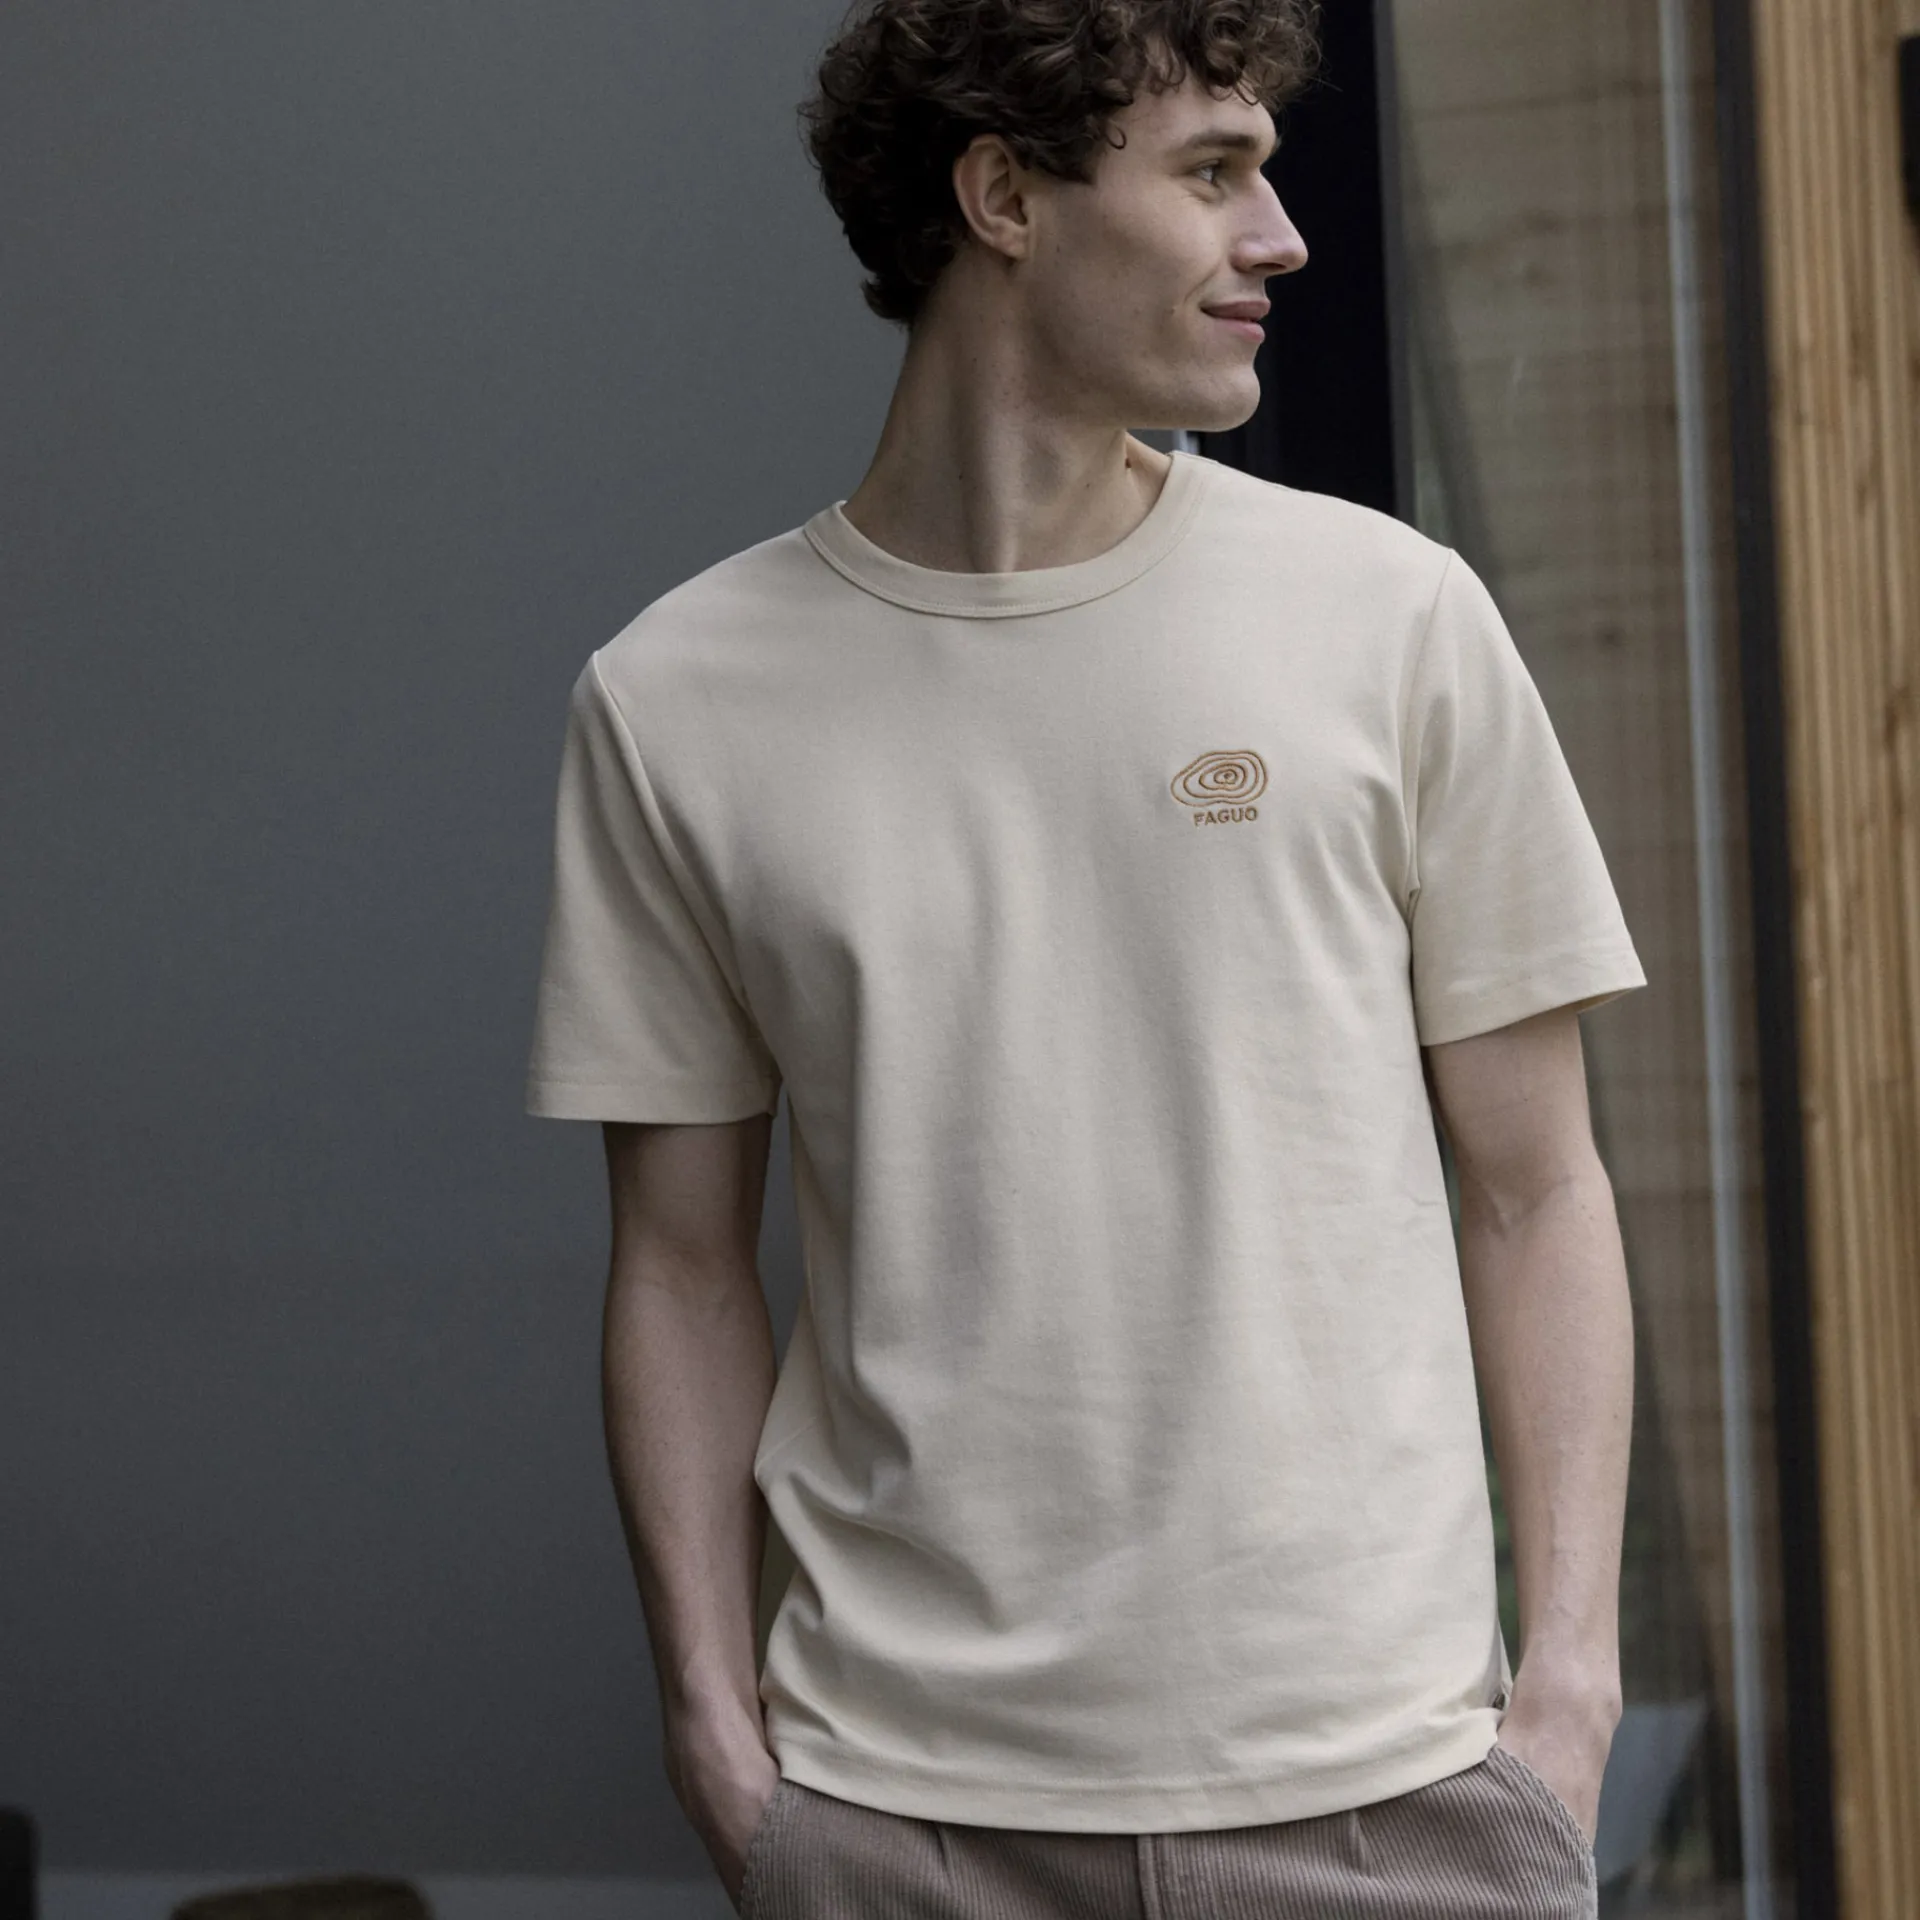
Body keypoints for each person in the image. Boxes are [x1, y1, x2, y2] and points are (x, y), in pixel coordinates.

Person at [523, 1, 1644, 1913]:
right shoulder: (676, 702)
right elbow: (684, 1267)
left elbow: (1538, 1188)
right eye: (1214, 173)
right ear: (1004, 198)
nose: (1281, 235)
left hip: (1397, 1798)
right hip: (899, 1822)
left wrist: (1570, 1699)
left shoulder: (1392, 619)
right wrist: (714, 1729)